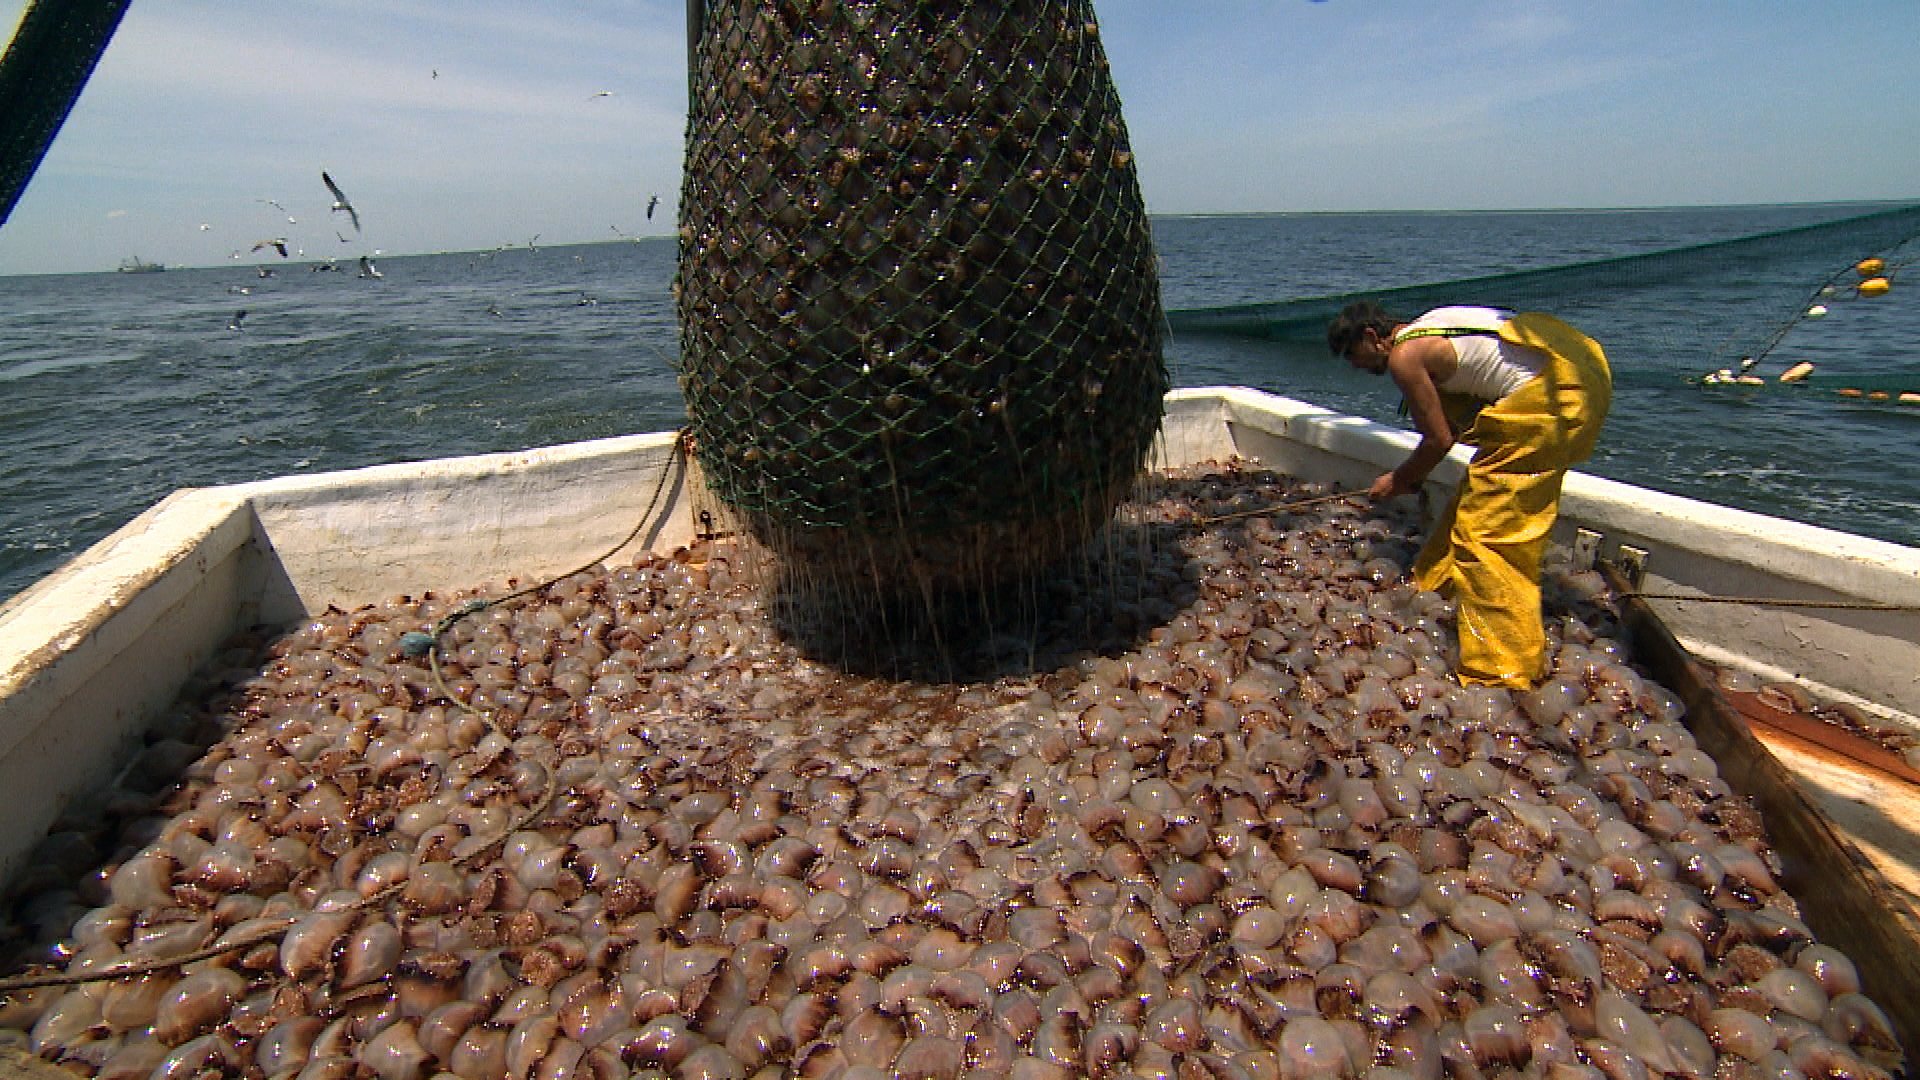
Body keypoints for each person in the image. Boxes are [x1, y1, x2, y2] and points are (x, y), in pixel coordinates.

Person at [1325, 301, 1612, 689]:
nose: (1355, 366)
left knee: (1487, 537)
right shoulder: (1433, 323)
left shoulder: (1405, 357)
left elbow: (1440, 439)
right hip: (1580, 373)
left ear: (1372, 337)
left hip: (1552, 401)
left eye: (1351, 355)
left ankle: (1502, 670)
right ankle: (1438, 586)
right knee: (1479, 498)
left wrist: (1399, 478)